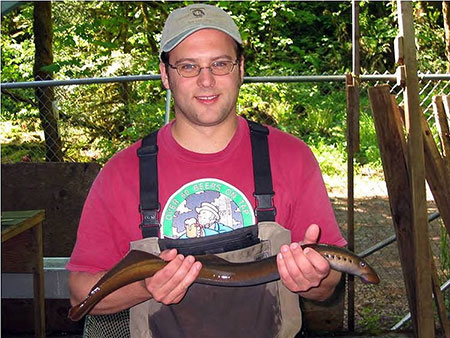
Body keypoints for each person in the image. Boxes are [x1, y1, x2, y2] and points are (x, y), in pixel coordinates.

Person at [67, 3, 347, 338]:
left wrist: (315, 280)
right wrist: (144, 285)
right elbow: (82, 293)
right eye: (188, 66)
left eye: (220, 63)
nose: (206, 80)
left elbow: (329, 283)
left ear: (240, 68)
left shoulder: (292, 157)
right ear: (165, 74)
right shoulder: (121, 172)